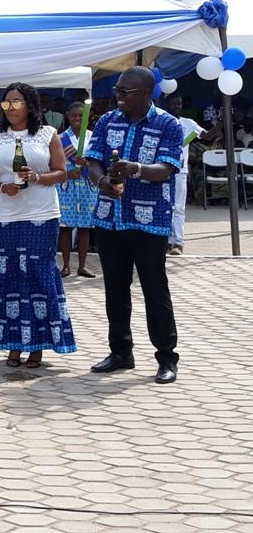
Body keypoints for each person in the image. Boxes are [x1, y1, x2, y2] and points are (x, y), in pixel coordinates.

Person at [85, 66, 184, 385]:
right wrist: (102, 181)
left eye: (124, 92)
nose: (117, 97)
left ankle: (167, 357)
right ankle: (120, 352)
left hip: (148, 220)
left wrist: (136, 169)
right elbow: (93, 159)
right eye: (116, 90)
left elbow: (167, 168)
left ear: (145, 93)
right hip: (109, 218)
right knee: (115, 289)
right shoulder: (106, 120)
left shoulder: (168, 124)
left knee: (154, 288)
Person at [0, 83, 74, 367]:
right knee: (8, 275)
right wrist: (1, 187)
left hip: (42, 214)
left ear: (30, 105)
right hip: (6, 215)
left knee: (38, 273)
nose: (11, 108)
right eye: (7, 103)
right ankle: (13, 343)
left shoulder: (47, 134)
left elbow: (61, 172)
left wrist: (37, 177)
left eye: (17, 102)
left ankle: (39, 344)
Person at [164, 94, 219, 255]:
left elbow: (207, 136)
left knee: (178, 207)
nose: (176, 107)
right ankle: (165, 240)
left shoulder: (188, 123)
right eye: (173, 104)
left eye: (179, 104)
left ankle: (178, 243)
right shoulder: (161, 120)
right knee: (165, 205)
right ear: (168, 105)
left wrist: (221, 123)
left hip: (180, 171)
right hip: (161, 169)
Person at [57, 101, 99, 277]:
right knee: (65, 227)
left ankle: (82, 265)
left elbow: (99, 162)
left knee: (85, 227)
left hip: (88, 186)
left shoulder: (93, 137)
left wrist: (87, 163)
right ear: (68, 116)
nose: (77, 118)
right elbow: (52, 164)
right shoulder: (60, 139)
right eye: (74, 115)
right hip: (68, 186)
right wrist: (67, 173)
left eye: (81, 116)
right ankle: (65, 265)